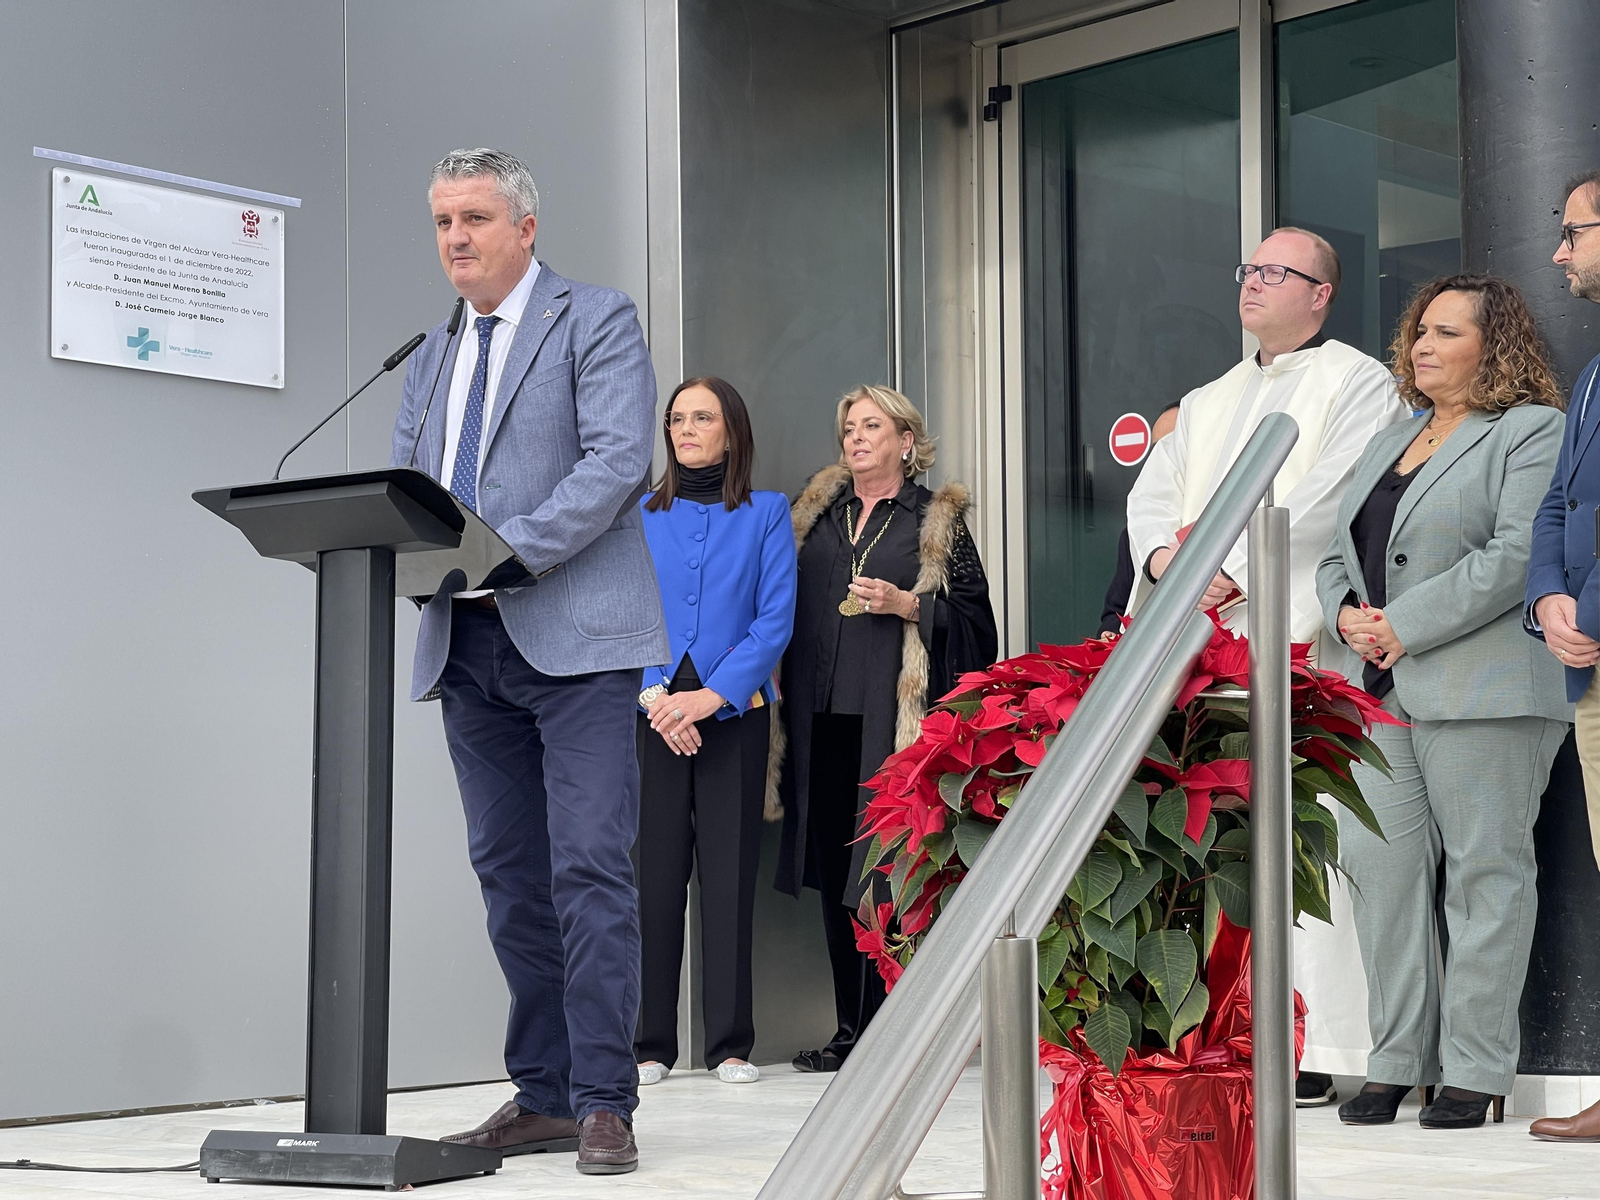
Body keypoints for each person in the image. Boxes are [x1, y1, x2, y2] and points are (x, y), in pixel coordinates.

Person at [388, 148, 667, 1174]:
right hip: (467, 644)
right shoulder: (428, 352)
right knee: (509, 877)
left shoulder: (593, 319)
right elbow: (406, 481)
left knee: (588, 863)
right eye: (441, 221)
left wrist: (509, 555)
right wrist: (418, 557)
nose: (455, 238)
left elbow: (614, 462)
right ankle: (544, 1094)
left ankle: (604, 1097)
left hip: (576, 640)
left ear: (525, 227)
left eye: (473, 217)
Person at [1126, 227, 1409, 1106]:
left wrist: (1234, 572)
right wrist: (1173, 567)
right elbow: (1154, 497)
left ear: (1320, 292)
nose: (1253, 282)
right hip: (1200, 645)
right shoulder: (1209, 396)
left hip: (1294, 641)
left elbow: (1329, 495)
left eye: (1275, 271)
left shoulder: (1358, 380)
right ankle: (1224, 1029)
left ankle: (1316, 1039)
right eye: (1248, 268)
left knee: (1305, 843)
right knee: (1216, 841)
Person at [1316, 275, 1568, 1130]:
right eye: (1420, 330)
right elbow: (1334, 554)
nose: (1422, 345)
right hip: (1380, 697)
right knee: (1382, 879)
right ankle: (1396, 1060)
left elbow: (1515, 555)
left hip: (1486, 691)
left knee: (1485, 879)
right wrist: (1344, 614)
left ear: (1491, 347)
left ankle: (1474, 1068)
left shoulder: (1530, 431)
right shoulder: (1394, 435)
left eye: (1446, 332)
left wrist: (1402, 626)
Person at [776, 385, 997, 1072]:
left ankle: (896, 1034)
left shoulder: (935, 521)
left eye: (872, 425)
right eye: (848, 426)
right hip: (818, 722)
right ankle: (851, 1031)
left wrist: (911, 606)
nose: (856, 437)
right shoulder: (817, 518)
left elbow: (979, 632)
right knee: (839, 875)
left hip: (893, 725)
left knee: (887, 877)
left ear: (907, 439)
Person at [632, 377, 796, 1088]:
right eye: (677, 418)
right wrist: (657, 695)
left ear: (732, 430)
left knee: (730, 879)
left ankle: (730, 1044)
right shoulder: (638, 513)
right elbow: (621, 608)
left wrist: (711, 698)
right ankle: (648, 1045)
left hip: (733, 719)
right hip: (652, 717)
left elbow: (775, 621)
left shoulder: (767, 513)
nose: (686, 427)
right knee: (653, 880)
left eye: (703, 417)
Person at [1523, 169, 1600, 1145]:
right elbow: (1557, 504)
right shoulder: (1589, 375)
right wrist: (1549, 596)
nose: (1558, 251)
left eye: (1574, 231)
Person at [1098, 402, 1181, 637]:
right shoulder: (1136, 532)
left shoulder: (1234, 525)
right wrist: (1110, 633)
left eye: (1173, 449)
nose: (1162, 462)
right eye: (1157, 452)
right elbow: (1114, 613)